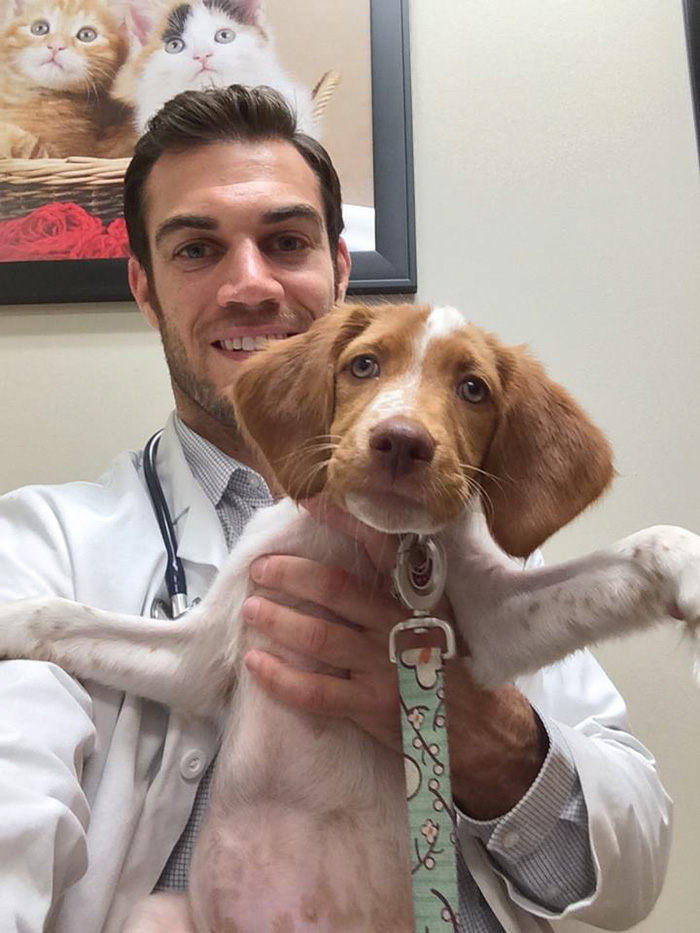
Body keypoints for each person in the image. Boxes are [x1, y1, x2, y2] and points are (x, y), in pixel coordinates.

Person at [0, 85, 671, 933]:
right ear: (143, 287)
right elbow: (11, 794)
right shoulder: (40, 547)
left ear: (341, 268)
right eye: (197, 249)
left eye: (286, 241)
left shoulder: (482, 550)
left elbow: (630, 868)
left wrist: (481, 732)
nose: (249, 285)